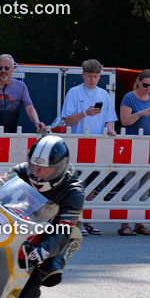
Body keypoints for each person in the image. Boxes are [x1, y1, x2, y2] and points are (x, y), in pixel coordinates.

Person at [0, 135, 84, 298]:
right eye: (35, 167)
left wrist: (45, 250)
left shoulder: (74, 191)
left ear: (58, 168)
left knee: (51, 270)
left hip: (59, 225)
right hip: (27, 209)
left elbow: (64, 230)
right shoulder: (23, 170)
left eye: (44, 169)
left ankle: (32, 286)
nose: (38, 173)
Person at [59, 58, 117, 236]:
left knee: (91, 183)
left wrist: (109, 130)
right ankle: (77, 221)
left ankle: (87, 220)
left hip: (96, 143)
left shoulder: (103, 94)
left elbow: (109, 119)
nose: (93, 79)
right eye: (90, 76)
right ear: (83, 75)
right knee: (77, 183)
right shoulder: (74, 92)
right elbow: (67, 119)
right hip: (77, 142)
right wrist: (85, 113)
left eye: (96, 76)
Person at [117, 69, 150, 236]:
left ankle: (139, 223)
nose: (149, 89)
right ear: (139, 81)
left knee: (146, 185)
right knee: (131, 185)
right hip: (133, 145)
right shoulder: (129, 97)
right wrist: (140, 113)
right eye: (146, 85)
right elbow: (124, 120)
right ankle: (124, 223)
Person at [0, 54, 47, 133]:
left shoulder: (20, 87)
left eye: (6, 68)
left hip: (11, 136)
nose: (3, 70)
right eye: (0, 67)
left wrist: (36, 121)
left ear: (13, 69)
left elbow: (30, 108)